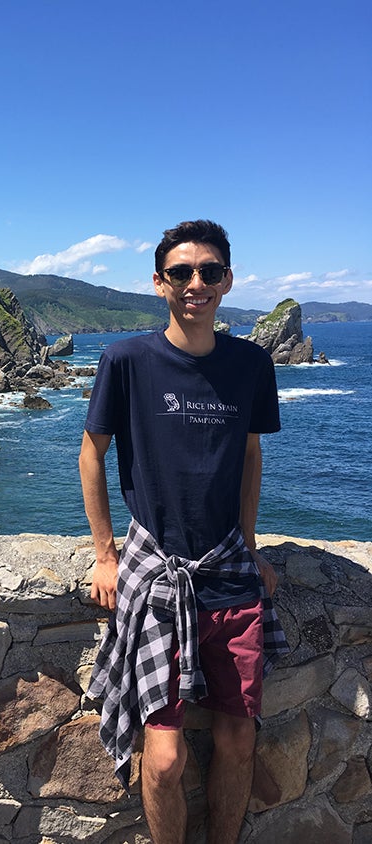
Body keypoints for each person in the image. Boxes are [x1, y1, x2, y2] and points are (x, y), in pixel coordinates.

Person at [79, 220, 288, 844]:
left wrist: (250, 545)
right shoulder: (126, 360)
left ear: (227, 280)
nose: (196, 284)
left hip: (227, 572)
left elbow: (250, 456)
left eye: (210, 272)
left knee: (238, 738)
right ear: (159, 283)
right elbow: (93, 452)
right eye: (181, 273)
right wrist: (104, 553)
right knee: (165, 757)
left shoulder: (251, 363)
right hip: (156, 572)